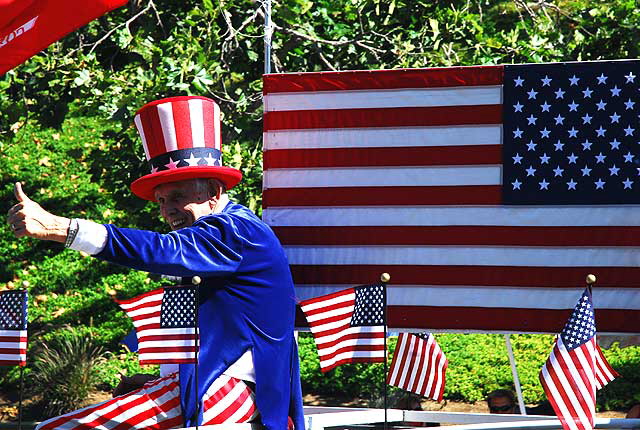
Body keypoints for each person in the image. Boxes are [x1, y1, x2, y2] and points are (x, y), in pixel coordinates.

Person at [7, 96, 304, 429]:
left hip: (232, 391)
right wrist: (156, 380)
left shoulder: (235, 230)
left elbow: (163, 250)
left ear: (214, 192)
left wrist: (61, 228)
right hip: (216, 385)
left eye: (178, 197)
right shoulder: (222, 233)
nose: (167, 210)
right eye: (162, 201)